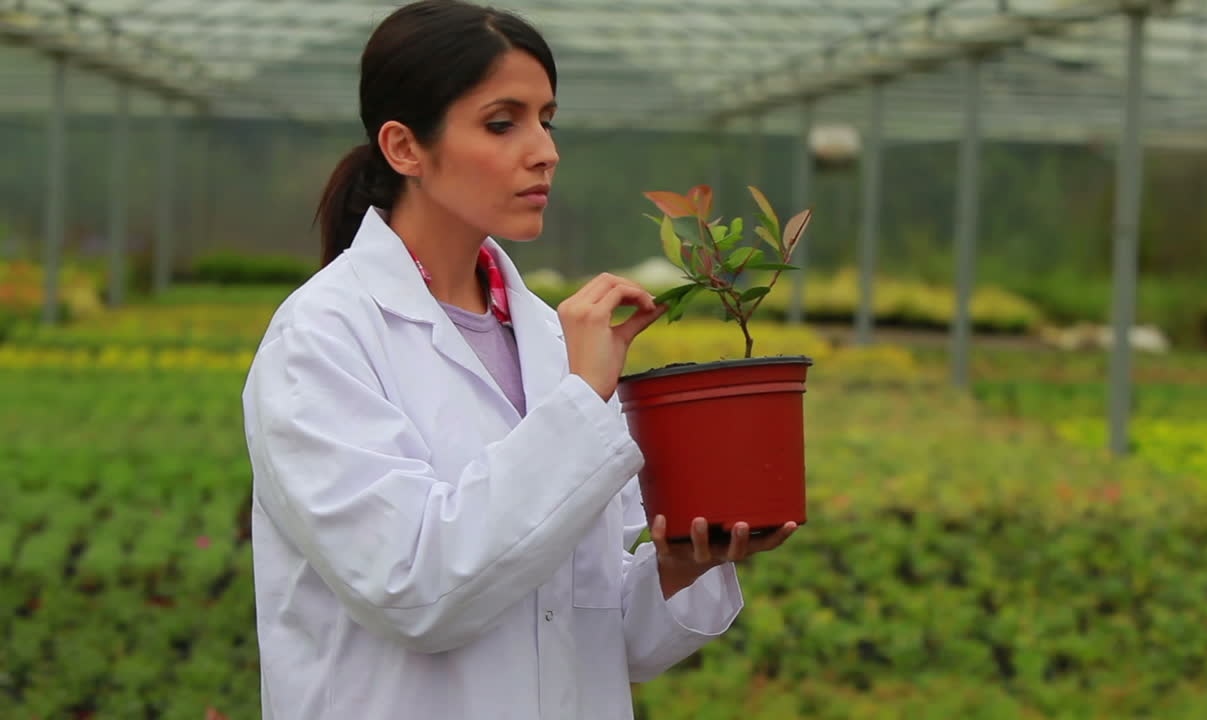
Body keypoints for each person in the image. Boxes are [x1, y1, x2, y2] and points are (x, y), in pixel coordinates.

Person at [240, 1, 798, 718]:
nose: (544, 151)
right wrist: (580, 402)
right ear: (405, 148)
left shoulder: (544, 334)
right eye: (503, 123)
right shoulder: (321, 340)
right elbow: (414, 589)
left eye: (547, 119)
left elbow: (591, 627)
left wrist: (679, 566)